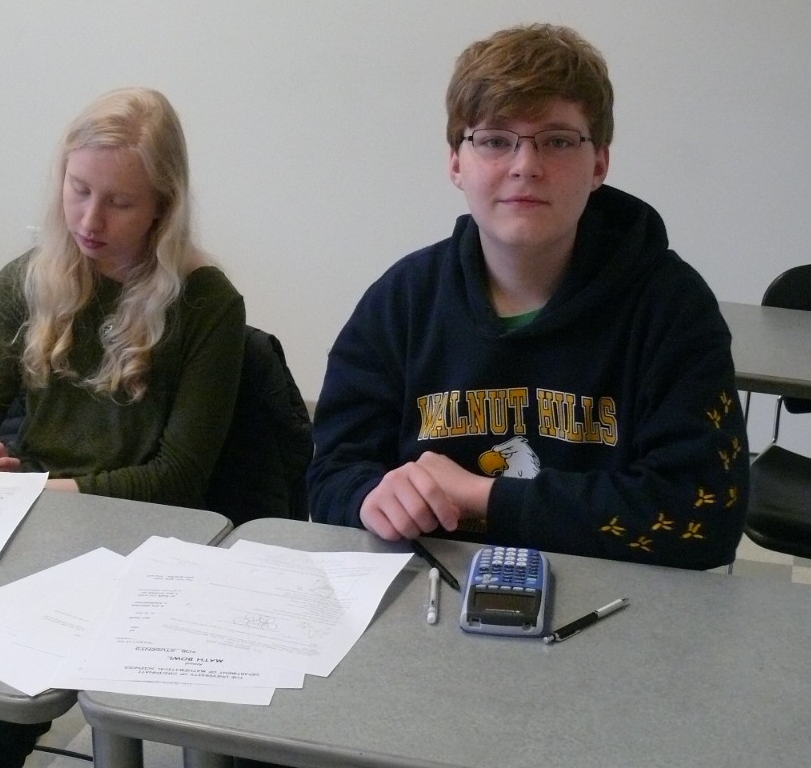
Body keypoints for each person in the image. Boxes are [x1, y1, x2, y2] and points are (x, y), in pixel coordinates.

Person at [0, 86, 245, 768]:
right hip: (20, 521)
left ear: (162, 207)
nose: (90, 219)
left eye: (120, 202)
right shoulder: (25, 281)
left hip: (120, 545)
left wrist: (31, 490)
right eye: (78, 188)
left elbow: (177, 479)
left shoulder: (207, 305)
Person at [307, 23, 748, 571]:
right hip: (423, 611)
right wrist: (368, 500)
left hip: (618, 617)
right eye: (495, 141)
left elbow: (704, 519)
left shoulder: (673, 308)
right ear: (455, 163)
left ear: (600, 165)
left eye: (558, 141)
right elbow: (329, 479)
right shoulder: (400, 302)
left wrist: (482, 497)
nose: (525, 166)